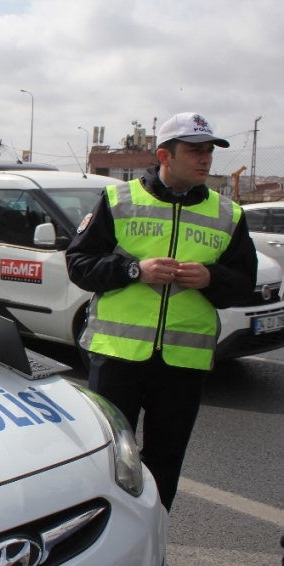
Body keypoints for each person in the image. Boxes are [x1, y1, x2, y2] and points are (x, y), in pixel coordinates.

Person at [65, 112, 257, 512]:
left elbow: (242, 282)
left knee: (165, 461)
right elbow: (80, 264)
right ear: (164, 155)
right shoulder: (119, 200)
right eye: (195, 151)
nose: (205, 159)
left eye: (208, 151)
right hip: (117, 355)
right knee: (109, 455)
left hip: (184, 362)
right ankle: (108, 535)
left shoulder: (229, 214)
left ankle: (153, 537)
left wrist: (211, 278)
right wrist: (136, 270)